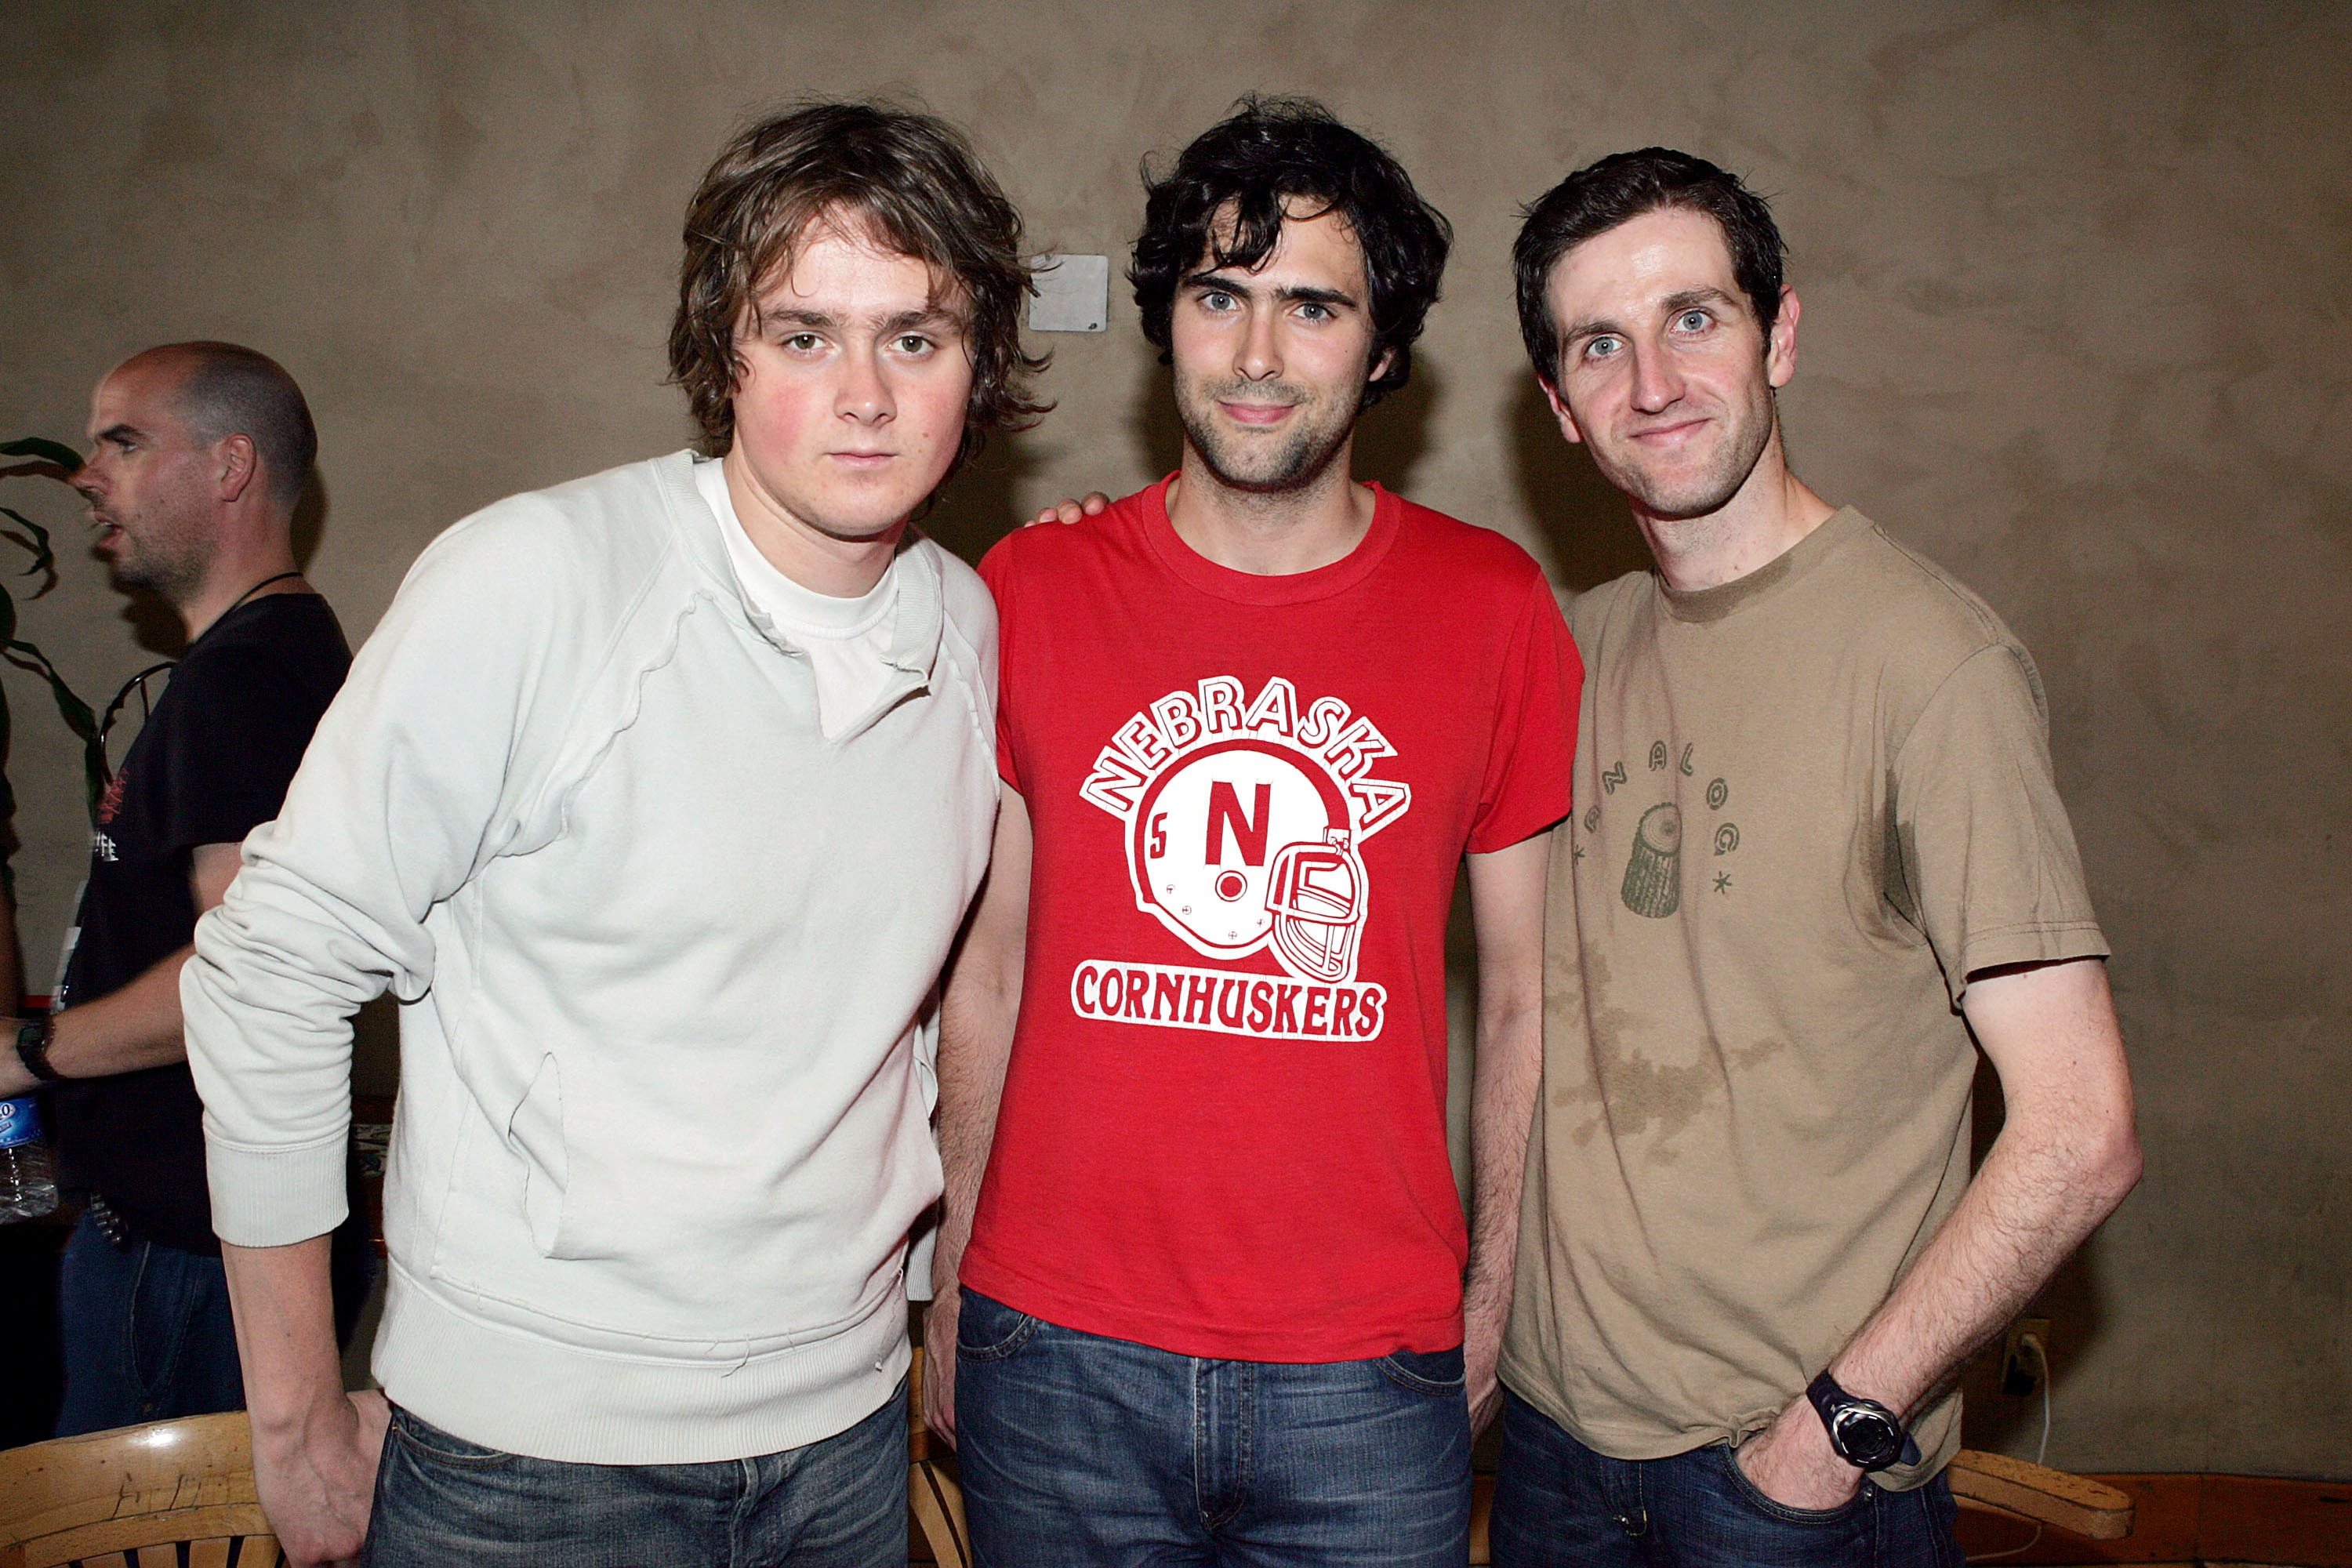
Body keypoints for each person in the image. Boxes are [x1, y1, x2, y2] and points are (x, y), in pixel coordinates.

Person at [180, 102, 1040, 1566]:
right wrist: (297, 1419)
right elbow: (271, 967)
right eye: (803, 334)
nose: (866, 397)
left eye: (917, 335)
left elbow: (934, 998)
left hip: (842, 1437)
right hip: (532, 1459)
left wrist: (948, 1292)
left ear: (981, 366)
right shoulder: (537, 580)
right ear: (723, 354)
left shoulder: (970, 624)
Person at [926, 98, 1579, 1566]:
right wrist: (956, 1267)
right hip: (1056, 1350)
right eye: (1221, 297)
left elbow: (1534, 994)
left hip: (1366, 1369)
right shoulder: (1030, 588)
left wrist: (1494, 1296)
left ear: (1387, 348)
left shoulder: (1496, 612)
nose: (1262, 356)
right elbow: (987, 970)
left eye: (1313, 306)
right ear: (1169, 323)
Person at [1490, 147, 2143, 1566]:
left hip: (1782, 1480)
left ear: (1780, 331)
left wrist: (1837, 1429)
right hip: (1550, 1445)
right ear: (1559, 408)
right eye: (1601, 343)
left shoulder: (1932, 664)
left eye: (1695, 317)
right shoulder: (1570, 645)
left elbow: (2081, 1131)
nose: (1653, 379)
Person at [0, 342, 352, 1436]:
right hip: (177, 1246)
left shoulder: (243, 681)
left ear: (230, 466)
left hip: (186, 1256)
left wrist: (28, 1051)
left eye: (124, 440)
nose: (87, 472)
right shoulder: (262, 657)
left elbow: (249, 970)